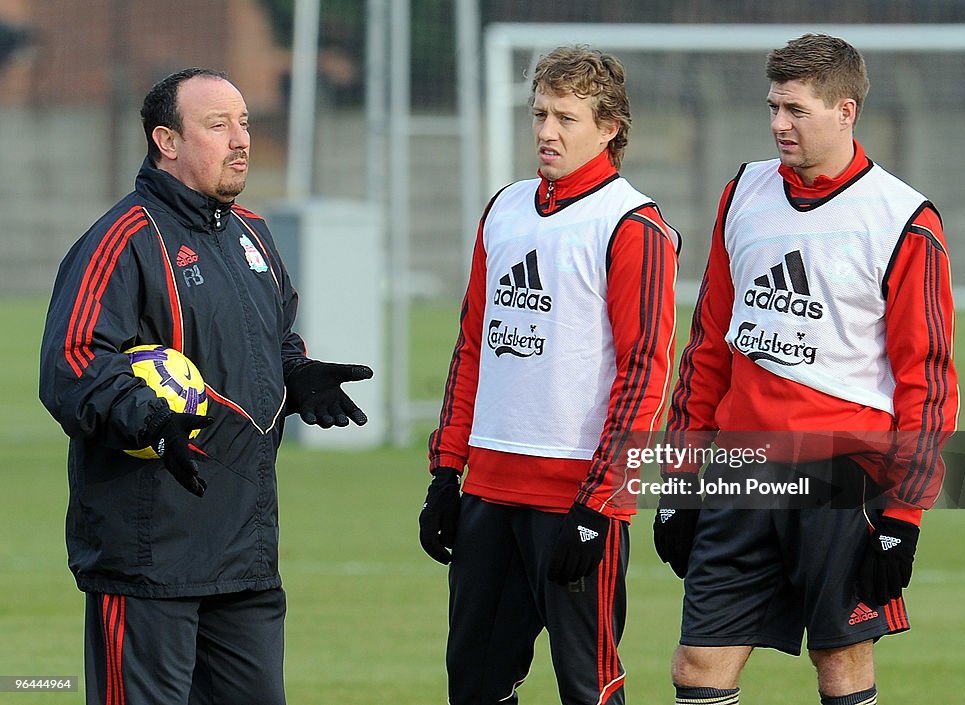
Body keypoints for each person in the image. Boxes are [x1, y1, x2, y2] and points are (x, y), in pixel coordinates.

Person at [38, 67, 372, 705]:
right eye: (218, 125)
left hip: (244, 555)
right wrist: (149, 418)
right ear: (166, 141)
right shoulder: (121, 240)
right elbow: (73, 363)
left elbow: (274, 338)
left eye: (243, 122)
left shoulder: (252, 233)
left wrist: (298, 375)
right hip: (148, 557)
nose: (240, 139)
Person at [653, 34, 958, 705]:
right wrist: (676, 479)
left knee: (840, 661)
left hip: (842, 472)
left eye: (795, 109)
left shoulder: (903, 218)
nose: (778, 124)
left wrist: (903, 515)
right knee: (698, 661)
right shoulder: (743, 193)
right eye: (772, 107)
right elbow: (708, 350)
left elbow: (927, 383)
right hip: (739, 465)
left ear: (845, 110)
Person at [419, 45, 680, 704]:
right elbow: (472, 345)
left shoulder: (633, 225)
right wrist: (447, 472)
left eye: (565, 116)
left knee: (587, 688)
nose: (545, 131)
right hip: (489, 492)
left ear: (610, 127)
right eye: (539, 113)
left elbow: (644, 372)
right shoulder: (503, 208)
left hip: (575, 498)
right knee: (474, 682)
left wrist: (602, 504)